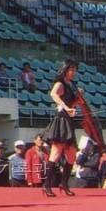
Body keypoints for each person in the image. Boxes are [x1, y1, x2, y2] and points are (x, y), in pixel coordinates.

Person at [42, 59, 80, 197]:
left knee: (71, 155)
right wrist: (66, 108)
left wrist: (77, 100)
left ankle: (63, 183)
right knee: (56, 153)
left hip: (68, 120)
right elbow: (53, 94)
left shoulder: (72, 84)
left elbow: (71, 104)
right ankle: (46, 185)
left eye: (75, 70)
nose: (73, 72)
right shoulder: (60, 83)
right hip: (61, 120)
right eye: (71, 69)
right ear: (65, 70)